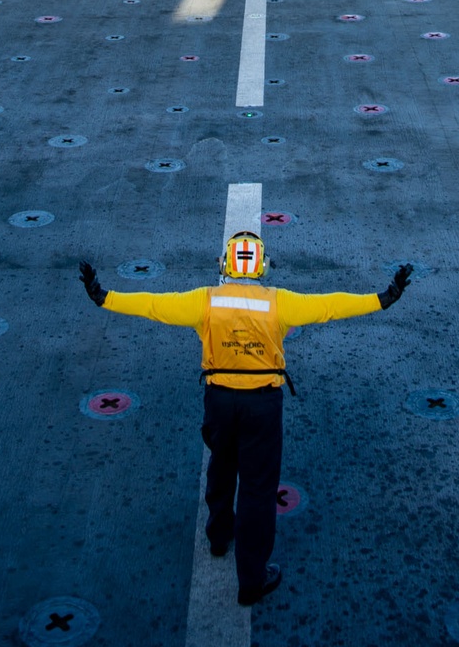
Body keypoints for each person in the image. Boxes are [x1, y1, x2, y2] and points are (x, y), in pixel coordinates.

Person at [78, 234, 413, 606]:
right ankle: (251, 580)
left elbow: (154, 305)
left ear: (226, 265)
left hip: (219, 401)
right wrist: (382, 299)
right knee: (257, 488)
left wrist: (104, 296)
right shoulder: (278, 303)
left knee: (221, 465)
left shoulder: (205, 301)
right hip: (262, 405)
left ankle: (219, 536)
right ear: (262, 267)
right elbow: (329, 306)